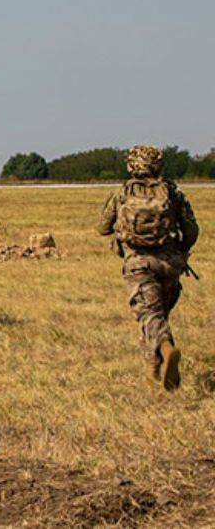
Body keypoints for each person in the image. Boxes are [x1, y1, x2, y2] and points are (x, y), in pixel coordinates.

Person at [97, 145, 200, 392]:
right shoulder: (172, 192)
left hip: (139, 264)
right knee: (156, 315)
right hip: (170, 264)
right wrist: (180, 250)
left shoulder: (123, 193)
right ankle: (154, 372)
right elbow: (192, 230)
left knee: (150, 315)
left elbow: (102, 227)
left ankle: (165, 349)